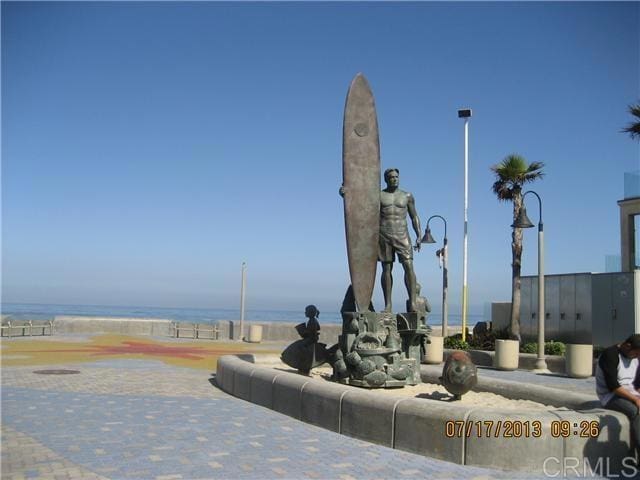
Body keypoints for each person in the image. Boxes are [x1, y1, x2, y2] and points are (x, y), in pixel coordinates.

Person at [378, 168, 422, 312]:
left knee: (409, 266)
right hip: (384, 234)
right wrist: (346, 194)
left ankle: (413, 302)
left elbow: (414, 216)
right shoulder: (379, 195)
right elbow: (363, 208)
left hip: (402, 234)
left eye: (396, 177)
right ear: (386, 179)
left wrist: (419, 234)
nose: (394, 179)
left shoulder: (407, 195)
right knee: (387, 269)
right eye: (391, 177)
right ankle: (388, 305)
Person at [595, 334, 640, 457]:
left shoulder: (635, 355)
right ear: (627, 346)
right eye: (635, 354)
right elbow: (613, 386)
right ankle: (634, 453)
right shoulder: (610, 355)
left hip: (629, 391)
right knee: (634, 411)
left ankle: (632, 452)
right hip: (610, 395)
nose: (636, 357)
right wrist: (635, 399)